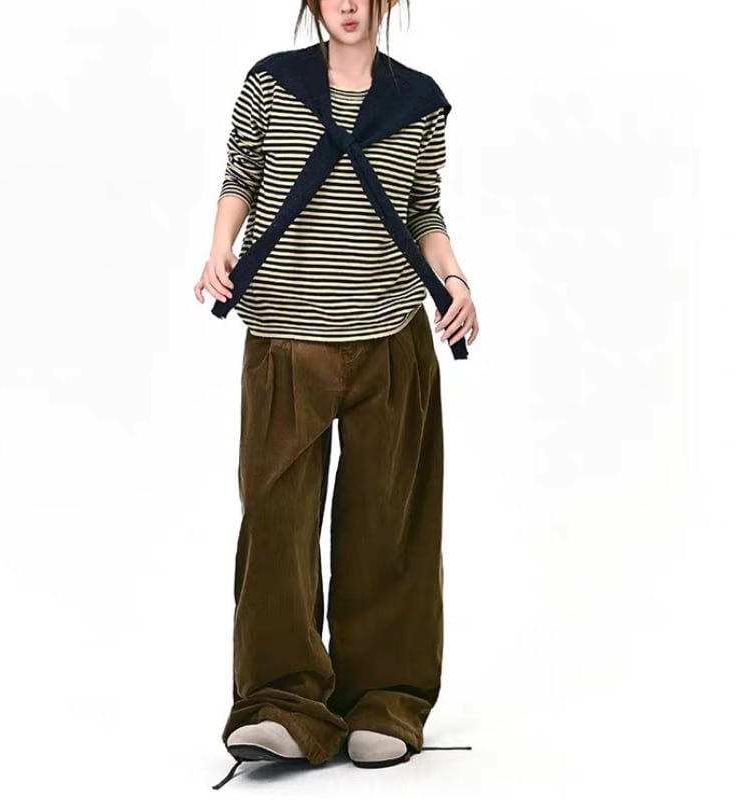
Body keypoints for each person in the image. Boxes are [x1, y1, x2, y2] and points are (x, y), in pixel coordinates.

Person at [194, 0, 479, 787]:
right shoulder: (271, 84)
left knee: (389, 522)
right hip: (286, 333)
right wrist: (218, 249)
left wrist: (455, 280)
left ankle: (386, 701)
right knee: (276, 522)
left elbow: (422, 208)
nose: (348, 4)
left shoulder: (418, 100)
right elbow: (241, 175)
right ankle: (280, 703)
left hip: (391, 334)